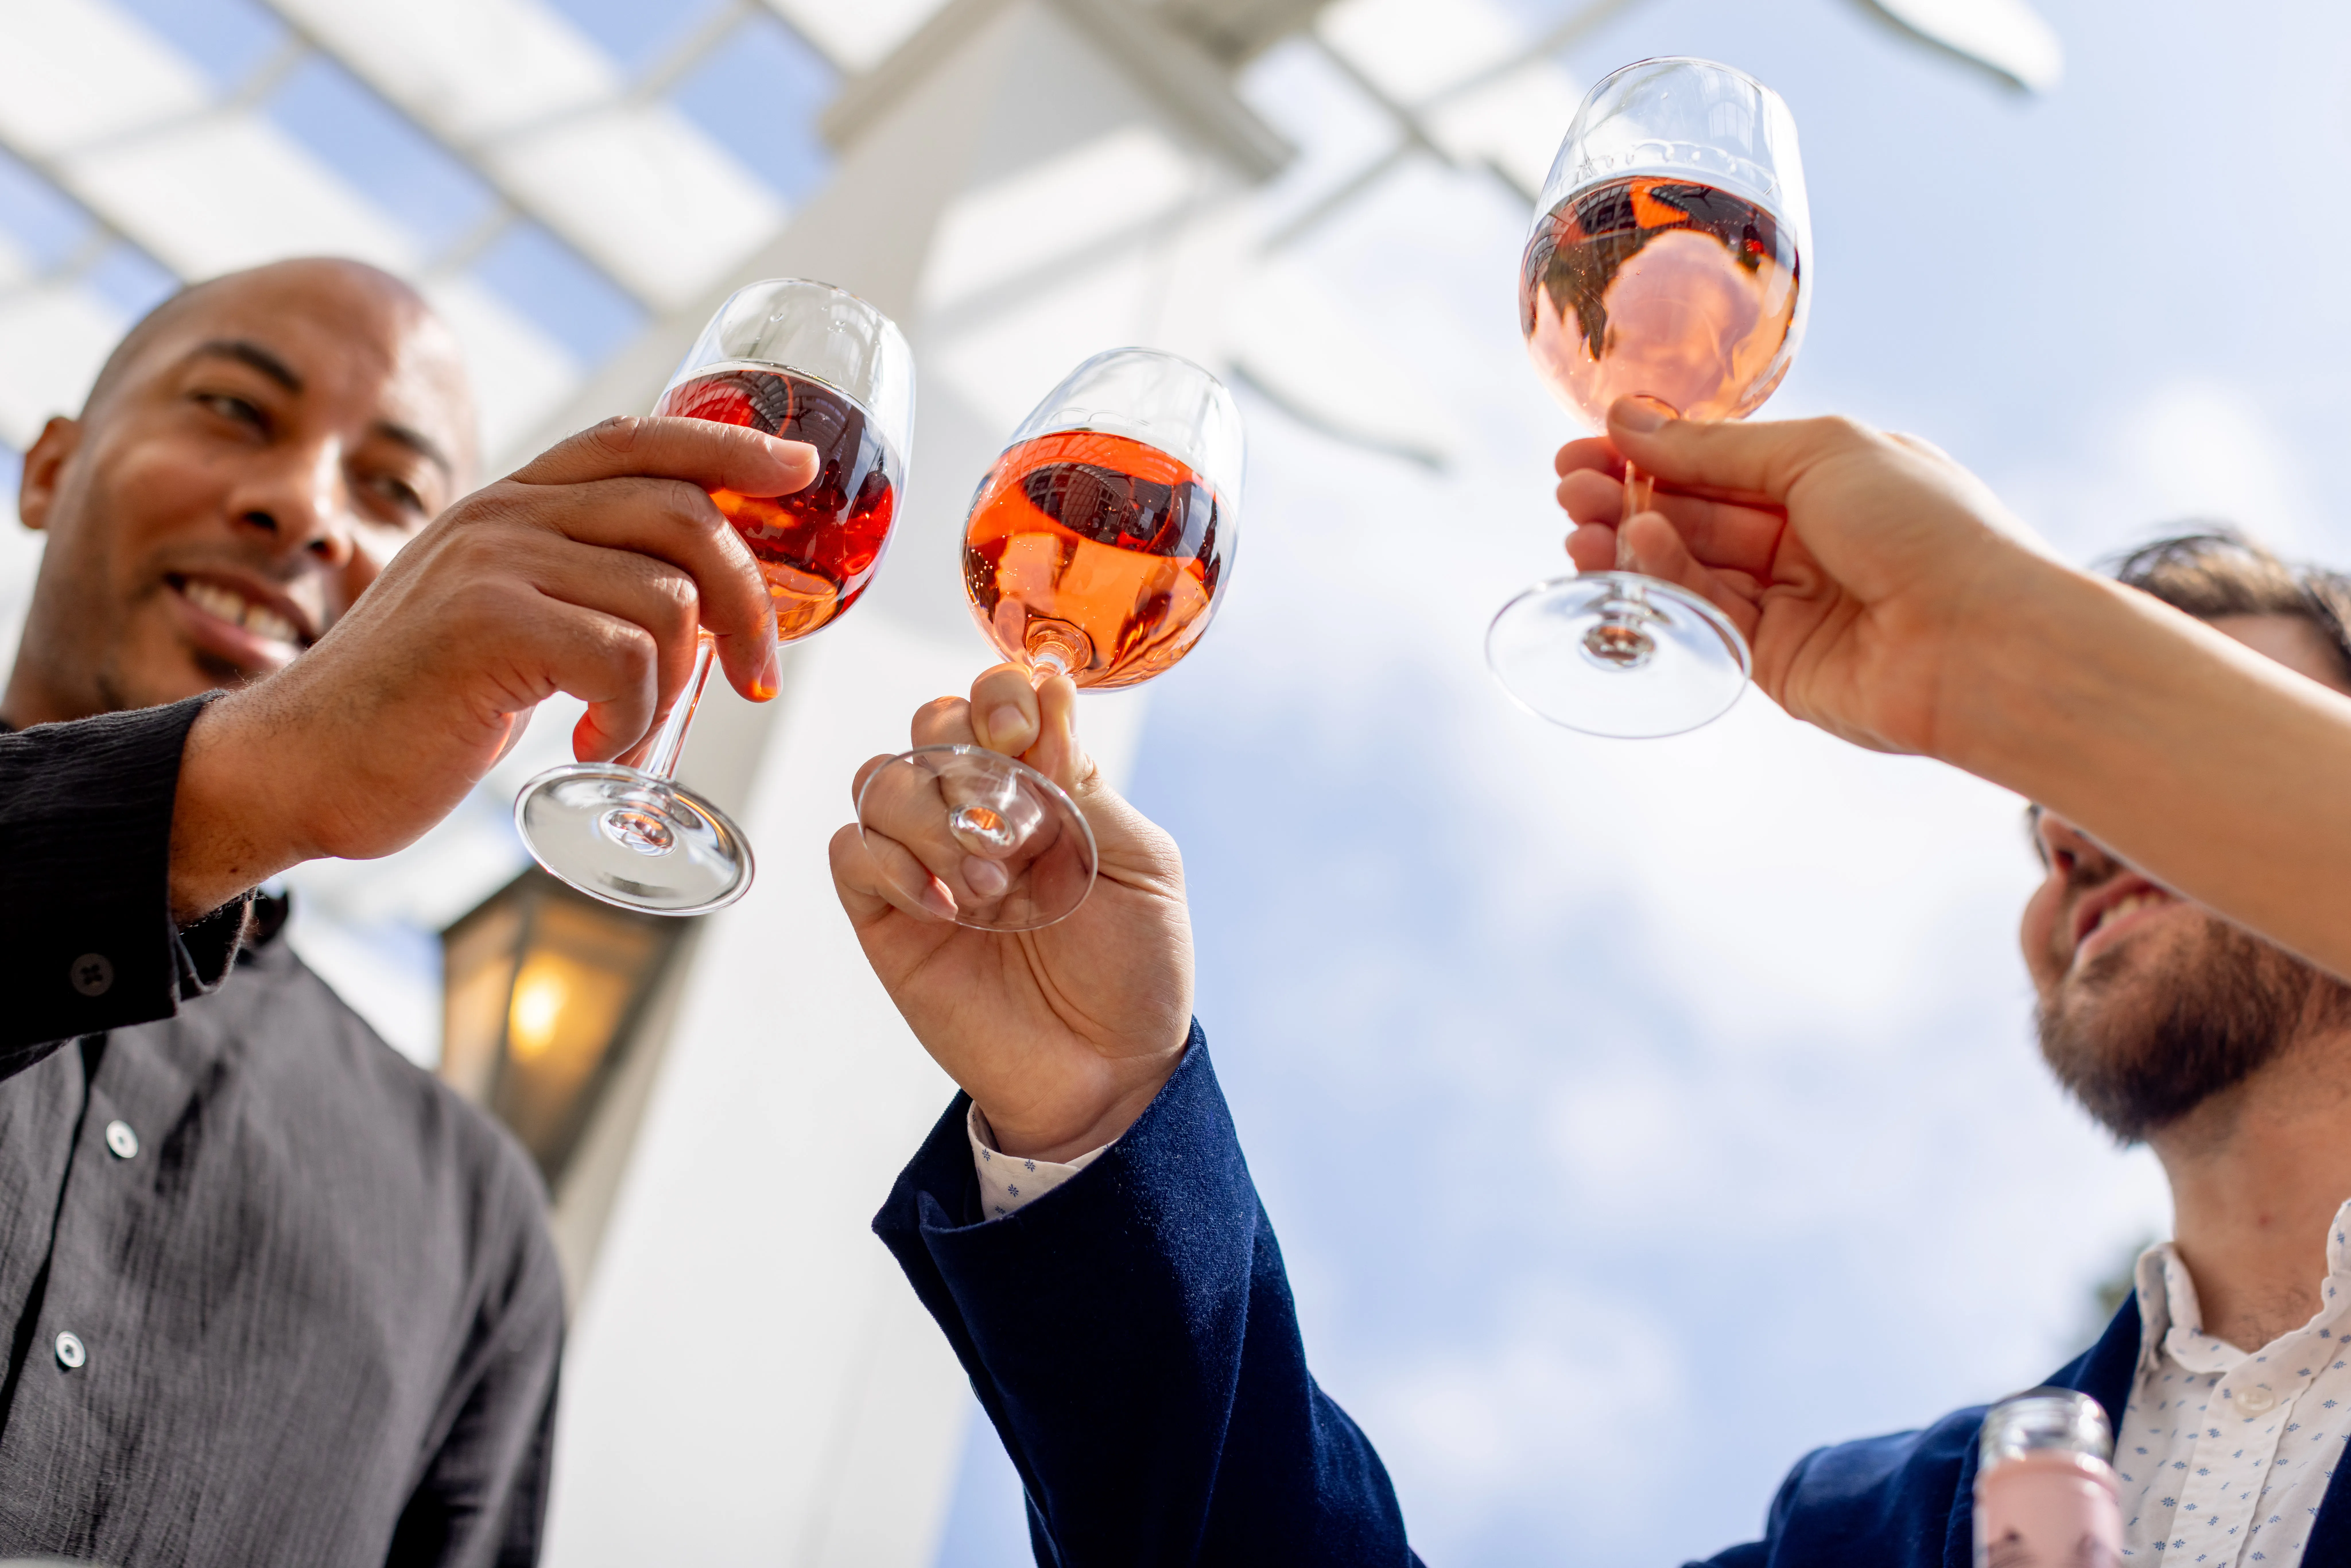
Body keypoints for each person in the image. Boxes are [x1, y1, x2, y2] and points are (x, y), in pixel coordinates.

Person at [833, 400, 2351, 1565]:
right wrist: (1100, 1115)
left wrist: (2011, 661)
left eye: (2166, 754)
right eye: (2045, 811)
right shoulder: (1880, 1523)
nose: (2073, 826)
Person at [0, 257, 810, 1565]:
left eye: (392, 493)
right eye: (233, 410)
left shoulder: (477, 1229)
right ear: (50, 468)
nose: (304, 509)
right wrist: (251, 774)